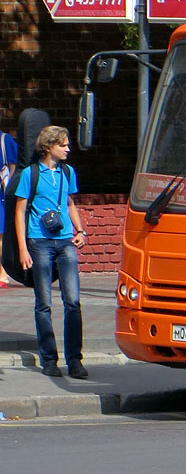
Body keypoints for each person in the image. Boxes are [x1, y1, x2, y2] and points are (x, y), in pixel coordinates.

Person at [14, 125, 87, 379]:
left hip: (65, 241)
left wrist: (81, 231)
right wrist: (23, 249)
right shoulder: (30, 174)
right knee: (44, 303)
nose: (68, 149)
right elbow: (20, 211)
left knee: (73, 302)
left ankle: (75, 360)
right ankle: (49, 360)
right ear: (49, 147)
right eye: (63, 145)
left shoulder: (68, 171)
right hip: (40, 242)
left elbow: (69, 203)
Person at [0, 128, 15, 287]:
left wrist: (9, 188)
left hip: (1, 194)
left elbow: (13, 167)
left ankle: (2, 274)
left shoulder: (5, 140)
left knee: (0, 236)